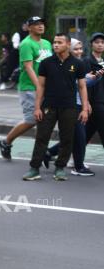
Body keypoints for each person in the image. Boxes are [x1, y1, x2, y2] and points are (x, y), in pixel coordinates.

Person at [22, 33, 88, 181]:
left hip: (70, 107)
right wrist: (37, 107)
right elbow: (41, 86)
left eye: (59, 42)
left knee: (67, 138)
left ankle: (60, 168)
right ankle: (34, 168)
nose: (55, 45)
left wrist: (84, 109)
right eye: (54, 42)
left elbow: (82, 87)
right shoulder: (46, 63)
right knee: (42, 137)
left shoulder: (78, 64)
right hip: (48, 107)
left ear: (67, 44)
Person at [43, 38, 103, 176]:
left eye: (80, 48)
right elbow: (74, 83)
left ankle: (49, 153)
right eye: (76, 49)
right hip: (69, 105)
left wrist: (96, 77)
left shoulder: (78, 64)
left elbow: (84, 84)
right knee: (80, 137)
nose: (79, 51)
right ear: (68, 49)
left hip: (77, 105)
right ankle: (78, 166)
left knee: (75, 137)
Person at [0, 16, 52, 160]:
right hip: (29, 87)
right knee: (31, 119)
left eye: (42, 23)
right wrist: (39, 86)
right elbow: (28, 67)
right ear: (29, 28)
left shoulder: (47, 43)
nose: (40, 26)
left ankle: (42, 149)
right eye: (36, 24)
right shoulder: (26, 44)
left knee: (45, 119)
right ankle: (6, 142)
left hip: (45, 87)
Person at [83, 32, 104, 153]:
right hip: (94, 102)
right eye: (97, 42)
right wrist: (87, 103)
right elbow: (84, 84)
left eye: (102, 42)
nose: (100, 45)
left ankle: (51, 153)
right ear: (92, 45)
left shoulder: (103, 62)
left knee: (85, 134)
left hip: (101, 101)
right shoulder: (87, 61)